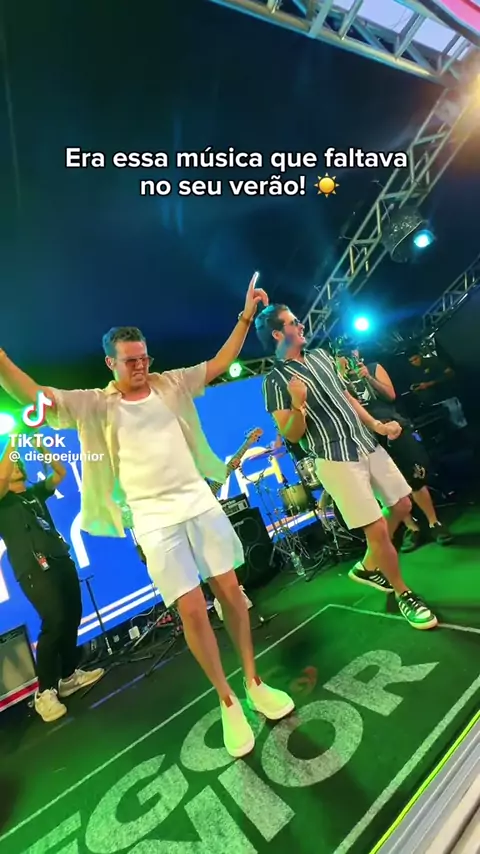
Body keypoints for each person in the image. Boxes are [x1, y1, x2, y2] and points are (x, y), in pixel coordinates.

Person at [0, 275, 294, 758]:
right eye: (130, 360)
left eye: (144, 358)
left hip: (198, 502)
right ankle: (227, 701)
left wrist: (245, 317)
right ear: (111, 363)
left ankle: (254, 682)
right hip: (153, 520)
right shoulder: (94, 404)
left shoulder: (171, 383)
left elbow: (220, 363)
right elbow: (35, 397)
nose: (140, 366)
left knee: (232, 594)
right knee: (192, 610)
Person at [255, 304, 438, 631]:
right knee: (377, 530)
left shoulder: (321, 356)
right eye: (294, 322)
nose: (302, 324)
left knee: (402, 505)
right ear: (278, 334)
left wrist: (377, 426)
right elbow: (292, 434)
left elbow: (348, 398)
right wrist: (297, 404)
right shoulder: (274, 381)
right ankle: (404, 593)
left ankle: (368, 566)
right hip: (335, 459)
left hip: (365, 444)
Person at [0, 438, 104, 722]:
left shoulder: (34, 492)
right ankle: (44, 692)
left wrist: (39, 446)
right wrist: (13, 440)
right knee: (55, 620)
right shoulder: (3, 501)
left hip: (58, 557)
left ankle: (68, 677)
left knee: (72, 614)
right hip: (32, 568)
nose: (16, 466)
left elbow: (60, 472)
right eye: (11, 464)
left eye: (19, 463)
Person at [336, 348, 453, 552]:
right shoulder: (336, 381)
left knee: (415, 475)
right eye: (342, 355)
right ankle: (412, 528)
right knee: (390, 485)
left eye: (351, 353)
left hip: (392, 426)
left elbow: (391, 395)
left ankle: (434, 522)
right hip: (366, 436)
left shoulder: (373, 367)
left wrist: (369, 378)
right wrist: (341, 378)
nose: (348, 357)